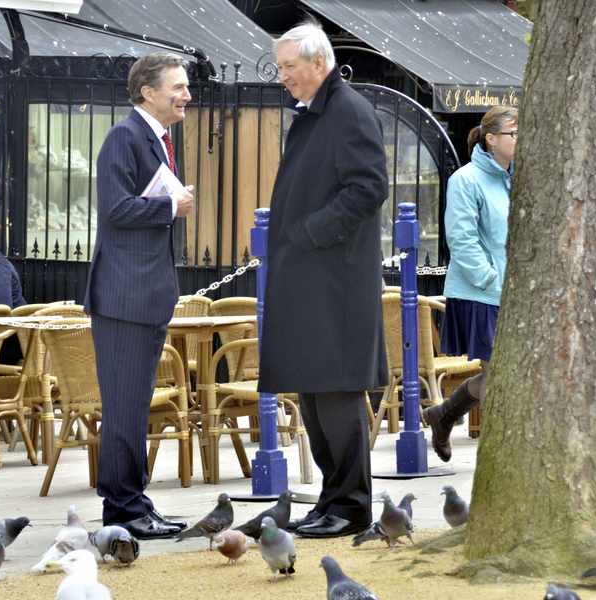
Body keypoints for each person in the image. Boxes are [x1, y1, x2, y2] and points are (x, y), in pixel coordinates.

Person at [258, 22, 389, 539]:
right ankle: (332, 498)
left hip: (334, 284)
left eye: (290, 67)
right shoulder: (316, 112)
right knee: (313, 393)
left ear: (319, 63)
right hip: (311, 280)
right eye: (281, 67)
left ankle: (353, 504)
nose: (284, 77)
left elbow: (369, 187)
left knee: (335, 392)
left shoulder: (348, 111)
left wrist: (311, 233)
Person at [83, 52, 194, 539]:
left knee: (134, 407)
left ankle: (135, 503)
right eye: (178, 87)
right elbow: (116, 209)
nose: (187, 95)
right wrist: (171, 203)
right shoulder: (124, 137)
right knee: (125, 408)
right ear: (148, 92)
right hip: (125, 299)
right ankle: (123, 510)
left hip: (144, 297)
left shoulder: (157, 138)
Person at [421, 105, 518, 462]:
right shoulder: (466, 180)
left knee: (504, 376)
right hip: (482, 293)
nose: (520, 139)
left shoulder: (514, 179)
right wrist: (491, 279)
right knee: (502, 378)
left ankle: (443, 414)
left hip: (511, 294)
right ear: (492, 139)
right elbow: (461, 240)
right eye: (514, 133)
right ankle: (504, 455)